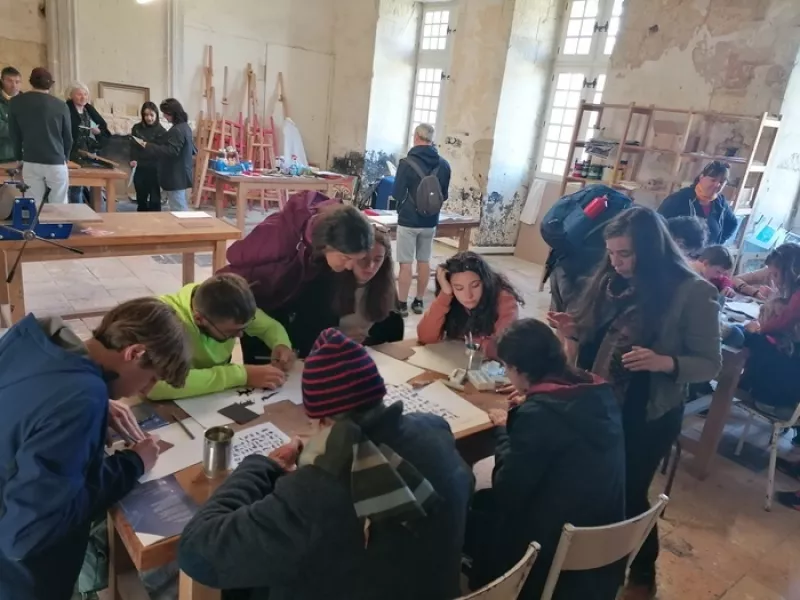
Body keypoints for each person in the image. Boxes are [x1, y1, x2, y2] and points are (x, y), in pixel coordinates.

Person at [178, 328, 474, 600]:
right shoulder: (434, 432)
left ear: (323, 421)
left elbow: (197, 552)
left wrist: (260, 466)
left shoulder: (313, 493)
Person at [547, 206, 721, 600]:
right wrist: (573, 330)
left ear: (652, 249)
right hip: (599, 403)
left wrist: (665, 362)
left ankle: (642, 578)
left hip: (647, 412)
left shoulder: (693, 291)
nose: (616, 262)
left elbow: (710, 363)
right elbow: (594, 333)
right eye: (611, 253)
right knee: (596, 485)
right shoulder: (611, 280)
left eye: (625, 254)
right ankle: (597, 566)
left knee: (629, 494)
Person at [0, 298, 192, 600]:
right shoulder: (82, 399)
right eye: (151, 377)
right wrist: (133, 463)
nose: (147, 390)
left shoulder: (37, 338)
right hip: (21, 579)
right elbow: (28, 534)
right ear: (135, 352)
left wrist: (95, 402)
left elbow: (30, 406)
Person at [466, 319, 625, 599]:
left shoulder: (539, 416)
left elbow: (507, 489)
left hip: (550, 550)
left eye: (505, 367)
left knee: (474, 496)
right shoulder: (597, 390)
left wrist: (504, 430)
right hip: (603, 541)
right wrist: (532, 398)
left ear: (517, 370)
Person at [223, 191, 374, 354]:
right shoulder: (280, 236)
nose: (350, 266)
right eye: (345, 258)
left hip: (292, 299)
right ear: (327, 242)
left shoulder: (332, 244)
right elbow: (234, 255)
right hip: (260, 305)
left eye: (355, 259)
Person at [239, 228, 401, 360]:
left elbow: (392, 334)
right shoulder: (324, 282)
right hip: (326, 357)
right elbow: (303, 334)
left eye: (378, 259)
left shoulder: (385, 286)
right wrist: (337, 339)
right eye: (364, 259)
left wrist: (368, 341)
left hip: (365, 358)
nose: (370, 266)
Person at [147, 273, 293, 401]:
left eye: (244, 328)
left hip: (209, 396)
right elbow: (155, 386)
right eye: (231, 332)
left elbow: (269, 327)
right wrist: (242, 375)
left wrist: (281, 344)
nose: (240, 335)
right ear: (199, 319)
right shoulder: (164, 321)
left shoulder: (228, 304)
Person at [392, 123, 452, 317]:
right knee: (424, 260)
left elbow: (397, 193)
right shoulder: (443, 164)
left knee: (405, 263)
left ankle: (401, 304)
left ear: (416, 137)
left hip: (409, 220)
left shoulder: (406, 163)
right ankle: (418, 302)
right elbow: (444, 194)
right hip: (430, 221)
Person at [416, 251, 523, 359]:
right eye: (459, 288)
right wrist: (445, 294)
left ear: (485, 282)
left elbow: (502, 349)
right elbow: (425, 337)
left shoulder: (504, 299)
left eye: (475, 285)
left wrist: (474, 340)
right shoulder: (450, 296)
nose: (468, 295)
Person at [8, 67, 72, 204]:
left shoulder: (16, 102)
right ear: (50, 84)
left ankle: (36, 225)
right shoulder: (61, 105)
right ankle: (58, 225)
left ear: (31, 82)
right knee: (59, 203)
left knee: (34, 202)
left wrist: (19, 157)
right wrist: (65, 157)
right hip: (56, 159)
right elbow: (68, 137)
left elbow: (14, 134)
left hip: (31, 159)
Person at [658, 160, 738, 244]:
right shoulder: (679, 198)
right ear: (701, 177)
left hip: (706, 255)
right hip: (680, 254)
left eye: (721, 182)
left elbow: (733, 223)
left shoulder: (720, 202)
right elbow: (658, 226)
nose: (717, 185)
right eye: (713, 180)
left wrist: (717, 243)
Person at [136, 98, 193, 211]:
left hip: (176, 175)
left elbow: (171, 151)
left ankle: (183, 229)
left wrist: (149, 146)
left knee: (179, 210)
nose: (165, 117)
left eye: (166, 114)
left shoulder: (177, 130)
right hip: (180, 174)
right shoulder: (184, 127)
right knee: (178, 207)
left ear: (173, 113)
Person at [65, 81, 110, 204]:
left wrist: (98, 132)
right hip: (71, 152)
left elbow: (103, 128)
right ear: (71, 95)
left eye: (85, 94)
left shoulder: (89, 110)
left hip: (88, 152)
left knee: (92, 185)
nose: (83, 97)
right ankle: (76, 214)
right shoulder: (65, 109)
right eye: (79, 94)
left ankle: (93, 211)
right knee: (75, 187)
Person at [129, 101, 166, 212]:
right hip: (140, 166)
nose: (149, 118)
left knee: (155, 198)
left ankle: (156, 224)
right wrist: (133, 159)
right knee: (141, 197)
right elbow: (133, 146)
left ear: (156, 115)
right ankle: (141, 222)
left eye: (151, 115)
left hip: (155, 168)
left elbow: (162, 151)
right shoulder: (136, 128)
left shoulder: (162, 131)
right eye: (146, 115)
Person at [732, 242, 800, 300]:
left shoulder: (796, 293)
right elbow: (735, 279)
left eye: (776, 275)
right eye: (772, 273)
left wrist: (774, 297)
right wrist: (755, 292)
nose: (773, 279)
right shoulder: (770, 271)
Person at [0, 66, 22, 163]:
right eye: (10, 81)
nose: (14, 85)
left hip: (24, 156)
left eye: (17, 82)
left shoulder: (27, 102)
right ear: (2, 81)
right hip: (3, 155)